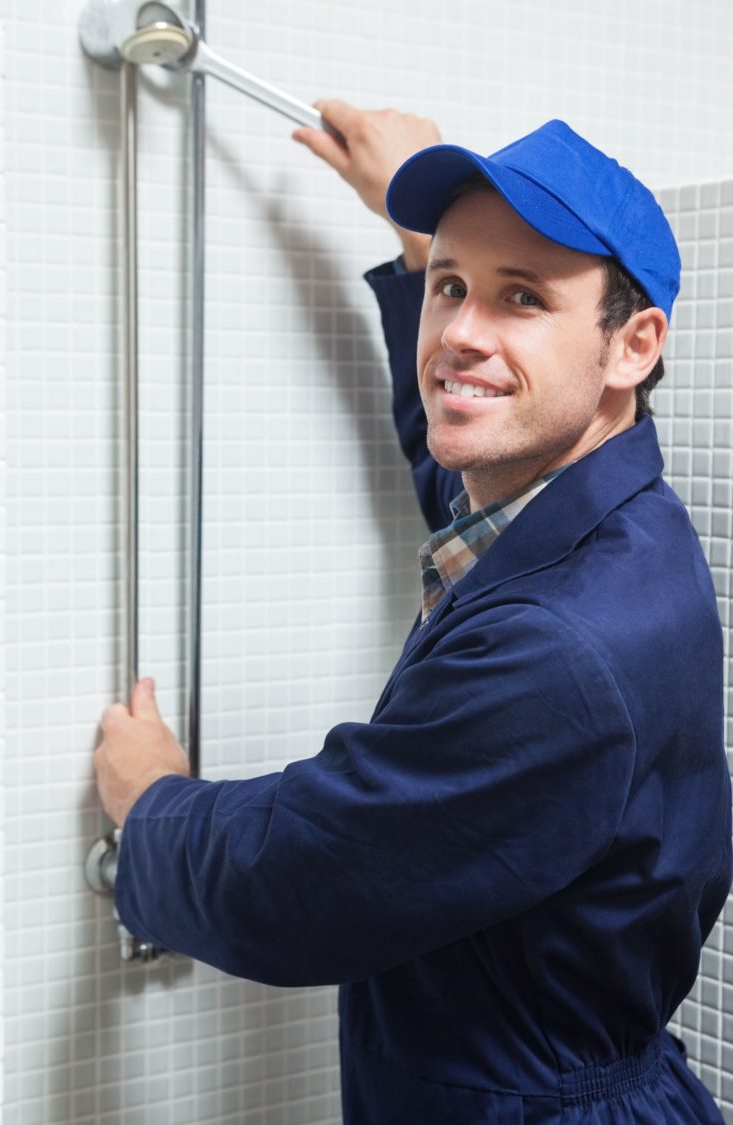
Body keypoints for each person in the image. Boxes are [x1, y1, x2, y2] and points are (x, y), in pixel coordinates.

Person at [95, 101, 732, 1123]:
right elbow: (463, 465)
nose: (461, 335)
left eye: (522, 298)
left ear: (632, 347)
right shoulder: (600, 515)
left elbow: (308, 879)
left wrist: (153, 804)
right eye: (453, 288)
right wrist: (414, 251)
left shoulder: (560, 648)